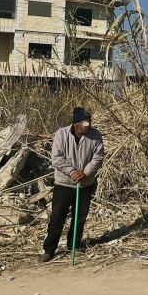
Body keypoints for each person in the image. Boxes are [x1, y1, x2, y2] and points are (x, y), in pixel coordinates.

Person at [40, 107, 104, 262]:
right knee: (57, 217)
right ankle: (49, 249)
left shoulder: (95, 136)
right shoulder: (61, 134)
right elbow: (57, 158)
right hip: (64, 183)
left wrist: (85, 172)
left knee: (80, 217)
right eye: (85, 122)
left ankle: (73, 245)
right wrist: (72, 171)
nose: (88, 125)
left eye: (89, 121)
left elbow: (98, 157)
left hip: (85, 184)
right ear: (76, 123)